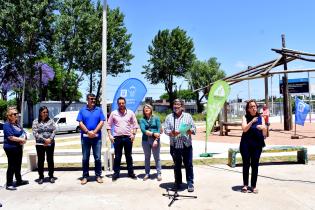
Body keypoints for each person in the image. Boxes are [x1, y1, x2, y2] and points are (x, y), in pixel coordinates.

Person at [164, 99, 196, 192]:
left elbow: (194, 129)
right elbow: (166, 130)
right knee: (177, 165)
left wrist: (189, 131)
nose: (176, 106)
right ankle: (178, 182)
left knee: (189, 165)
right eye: (174, 104)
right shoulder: (169, 117)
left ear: (182, 106)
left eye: (178, 104)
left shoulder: (188, 116)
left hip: (187, 145)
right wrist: (172, 133)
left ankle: (190, 183)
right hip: (175, 145)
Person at [107, 97, 139, 181]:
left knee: (129, 156)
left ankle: (131, 173)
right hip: (117, 138)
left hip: (128, 138)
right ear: (118, 104)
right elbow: (108, 125)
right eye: (119, 103)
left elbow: (135, 125)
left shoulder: (131, 113)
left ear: (125, 103)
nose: (121, 104)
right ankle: (116, 174)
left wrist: (133, 134)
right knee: (117, 156)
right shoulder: (114, 113)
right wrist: (110, 135)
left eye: (123, 103)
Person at [77, 93, 106, 185]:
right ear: (87, 100)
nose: (93, 100)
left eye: (94, 99)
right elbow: (80, 123)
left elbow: (102, 122)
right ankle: (85, 176)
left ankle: (98, 176)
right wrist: (87, 132)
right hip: (85, 138)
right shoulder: (82, 110)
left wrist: (94, 132)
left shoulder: (99, 110)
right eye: (91, 99)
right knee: (85, 158)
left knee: (97, 158)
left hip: (97, 138)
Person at [240, 99, 267, 194]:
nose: (253, 108)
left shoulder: (261, 118)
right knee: (246, 164)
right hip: (245, 145)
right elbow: (244, 129)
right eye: (251, 106)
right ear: (248, 109)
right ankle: (245, 185)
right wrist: (251, 122)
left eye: (254, 106)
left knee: (255, 165)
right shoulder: (244, 117)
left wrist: (264, 128)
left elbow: (265, 134)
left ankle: (253, 186)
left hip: (257, 145)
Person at [3, 107, 29, 190]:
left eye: (17, 113)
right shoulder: (7, 125)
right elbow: (10, 137)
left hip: (18, 147)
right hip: (10, 148)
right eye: (14, 114)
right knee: (12, 165)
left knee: (18, 164)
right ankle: (9, 183)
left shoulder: (17, 124)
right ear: (9, 116)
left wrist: (25, 138)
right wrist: (21, 140)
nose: (16, 115)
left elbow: (23, 132)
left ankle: (19, 180)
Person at [32, 106, 57, 184]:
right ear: (40, 113)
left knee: (50, 159)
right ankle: (41, 177)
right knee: (40, 160)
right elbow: (35, 133)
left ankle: (51, 176)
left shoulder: (51, 121)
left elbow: (54, 130)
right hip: (40, 144)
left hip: (50, 143)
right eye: (44, 112)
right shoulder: (35, 122)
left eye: (46, 112)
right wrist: (44, 140)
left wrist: (50, 139)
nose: (45, 114)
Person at [139, 104, 162, 181]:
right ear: (143, 111)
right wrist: (152, 133)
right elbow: (143, 130)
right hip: (145, 140)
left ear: (151, 109)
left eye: (148, 107)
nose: (146, 109)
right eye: (145, 108)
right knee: (147, 157)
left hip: (155, 140)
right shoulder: (142, 120)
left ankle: (159, 173)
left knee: (157, 157)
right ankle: (147, 173)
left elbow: (159, 130)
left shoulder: (156, 118)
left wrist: (156, 140)